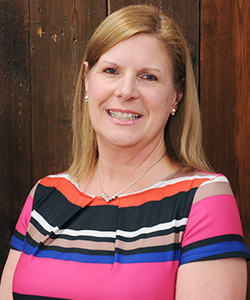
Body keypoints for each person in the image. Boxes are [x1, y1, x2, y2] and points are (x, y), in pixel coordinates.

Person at [0, 4, 249, 300]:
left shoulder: (203, 199)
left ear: (177, 95)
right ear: (87, 79)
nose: (126, 90)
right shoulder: (45, 195)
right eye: (111, 71)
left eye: (149, 77)